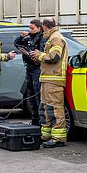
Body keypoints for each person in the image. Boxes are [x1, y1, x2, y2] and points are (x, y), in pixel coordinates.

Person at [29, 17, 68, 148]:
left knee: (55, 109)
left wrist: (39, 55)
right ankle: (46, 134)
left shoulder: (56, 38)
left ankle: (58, 138)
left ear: (45, 27)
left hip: (54, 79)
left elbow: (54, 57)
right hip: (47, 78)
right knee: (45, 108)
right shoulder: (51, 38)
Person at [14, 19, 45, 126]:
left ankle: (41, 123)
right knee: (30, 95)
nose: (30, 30)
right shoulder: (29, 38)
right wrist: (22, 37)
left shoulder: (42, 39)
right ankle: (35, 120)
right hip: (30, 69)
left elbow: (41, 55)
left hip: (38, 70)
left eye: (32, 28)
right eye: (29, 28)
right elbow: (17, 44)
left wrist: (33, 55)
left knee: (38, 97)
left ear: (39, 28)